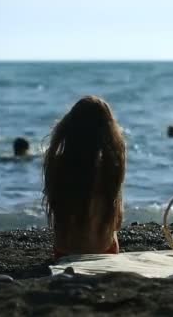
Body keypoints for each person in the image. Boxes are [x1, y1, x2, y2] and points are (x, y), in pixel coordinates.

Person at [43, 96, 126, 257]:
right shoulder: (109, 168)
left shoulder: (57, 164)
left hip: (64, 251)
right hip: (104, 249)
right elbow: (117, 223)